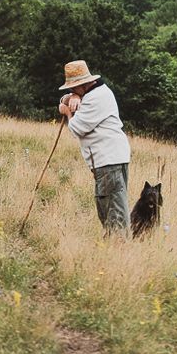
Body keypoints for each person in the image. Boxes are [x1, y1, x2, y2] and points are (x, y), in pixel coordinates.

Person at [56, 59, 131, 235]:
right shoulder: (96, 92)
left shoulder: (95, 99)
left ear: (82, 85)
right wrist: (71, 97)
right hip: (112, 158)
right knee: (110, 206)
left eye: (74, 88)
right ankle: (115, 243)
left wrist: (67, 112)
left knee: (113, 211)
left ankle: (119, 246)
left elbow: (76, 129)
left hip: (108, 160)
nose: (72, 91)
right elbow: (67, 98)